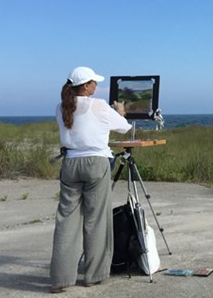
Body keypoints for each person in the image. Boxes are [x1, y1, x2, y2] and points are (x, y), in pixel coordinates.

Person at [50, 66, 131, 293]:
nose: (96, 85)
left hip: (70, 165)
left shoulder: (60, 107)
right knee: (96, 220)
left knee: (66, 221)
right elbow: (124, 128)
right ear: (86, 86)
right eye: (94, 82)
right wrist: (120, 111)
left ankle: (59, 278)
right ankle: (93, 275)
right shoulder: (99, 106)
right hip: (96, 164)